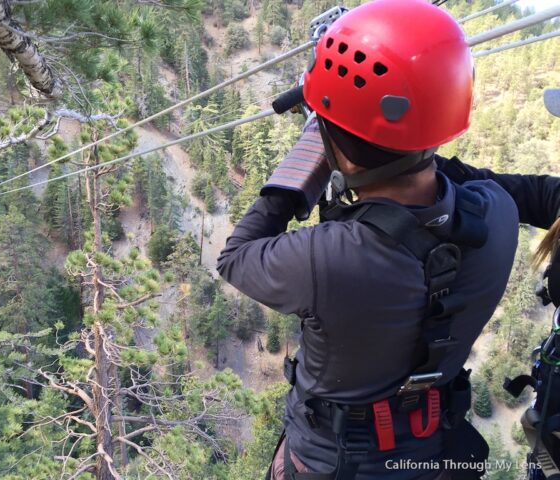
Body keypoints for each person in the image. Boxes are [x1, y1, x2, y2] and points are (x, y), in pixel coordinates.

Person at [216, 1, 560, 479]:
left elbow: (236, 257)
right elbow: (460, 180)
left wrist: (310, 152)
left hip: (332, 462)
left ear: (337, 144)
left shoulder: (327, 260)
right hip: (435, 452)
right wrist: (341, 135)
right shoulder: (497, 210)